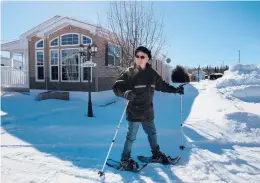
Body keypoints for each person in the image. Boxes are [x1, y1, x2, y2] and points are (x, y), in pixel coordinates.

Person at [112, 46, 184, 170]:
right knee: (131, 137)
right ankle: (125, 159)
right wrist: (125, 93)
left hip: (147, 111)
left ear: (148, 59)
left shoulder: (152, 74)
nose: (139, 59)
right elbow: (116, 86)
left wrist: (176, 90)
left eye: (142, 57)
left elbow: (162, 86)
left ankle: (156, 154)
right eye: (137, 56)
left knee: (152, 133)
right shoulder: (129, 72)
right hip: (134, 111)